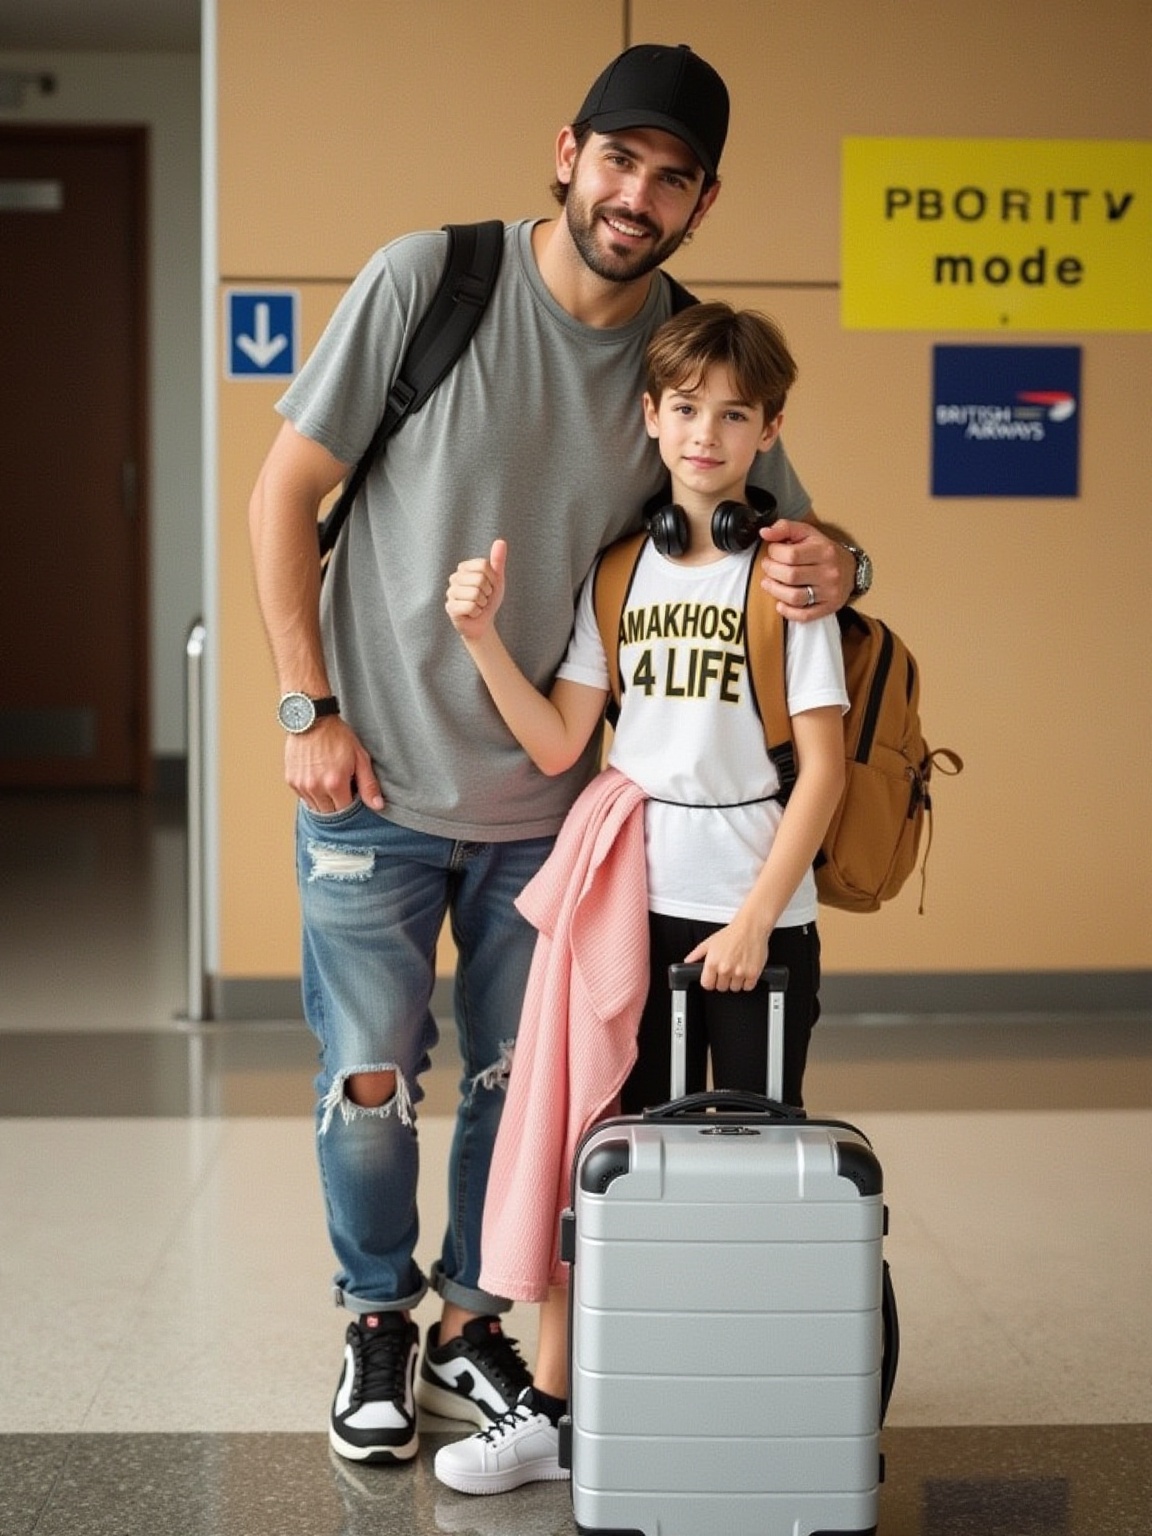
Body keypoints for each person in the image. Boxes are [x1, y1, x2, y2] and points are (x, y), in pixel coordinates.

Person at [247, 41, 863, 1468]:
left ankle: (472, 1326)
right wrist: (303, 706)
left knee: (526, 1093)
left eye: (674, 178)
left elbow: (787, 541)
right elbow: (287, 490)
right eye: (620, 159)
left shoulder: (687, 355)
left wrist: (844, 556)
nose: (637, 195)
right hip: (375, 779)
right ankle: (375, 1323)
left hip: (560, 811)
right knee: (373, 1080)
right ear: (568, 150)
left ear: (704, 204)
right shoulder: (434, 278)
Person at [433, 301, 849, 1495]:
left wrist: (757, 921)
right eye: (685, 409)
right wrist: (478, 639)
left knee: (757, 1172)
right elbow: (566, 739)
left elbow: (818, 769)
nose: (706, 431)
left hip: (755, 917)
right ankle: (557, 1411)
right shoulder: (621, 571)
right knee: (598, 1151)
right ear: (651, 419)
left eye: (734, 413)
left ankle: (764, 1395)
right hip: (630, 906)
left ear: (770, 428)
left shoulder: (786, 580)